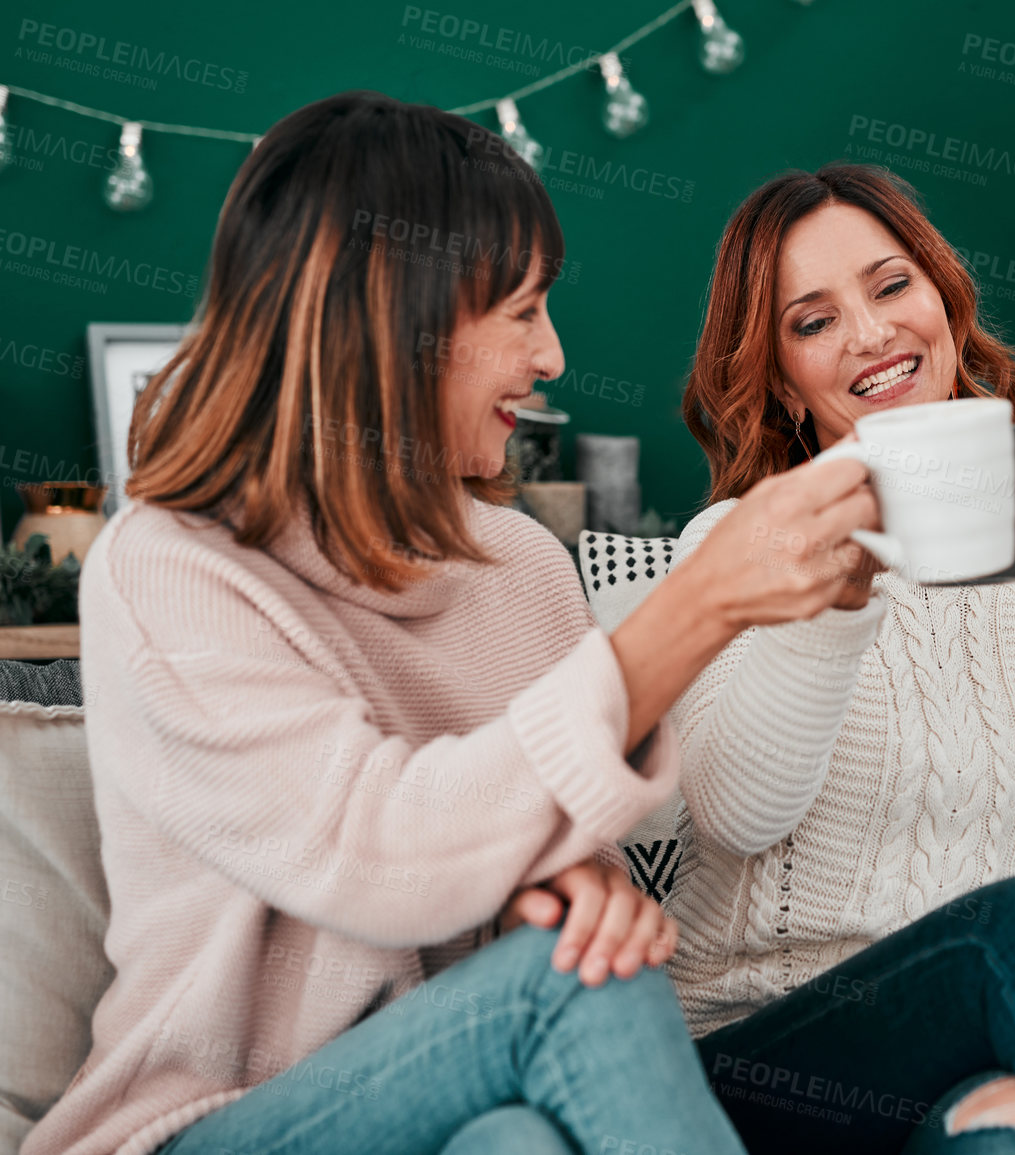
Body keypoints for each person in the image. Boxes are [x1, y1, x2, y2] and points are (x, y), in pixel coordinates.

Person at [26, 92, 881, 1155]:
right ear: (397, 317)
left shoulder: (520, 567)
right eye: (522, 311)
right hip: (218, 1125)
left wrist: (572, 896)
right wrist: (698, 609)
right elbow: (375, 849)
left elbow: (564, 869)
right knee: (558, 988)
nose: (555, 356)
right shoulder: (169, 571)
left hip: (466, 1099)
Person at [645, 162, 1015, 1155]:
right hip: (762, 1056)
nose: (871, 335)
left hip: (978, 1037)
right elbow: (738, 819)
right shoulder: (736, 542)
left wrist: (999, 1024)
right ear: (783, 380)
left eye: (890, 287)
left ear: (946, 303)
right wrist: (843, 587)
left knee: (1010, 1143)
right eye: (813, 321)